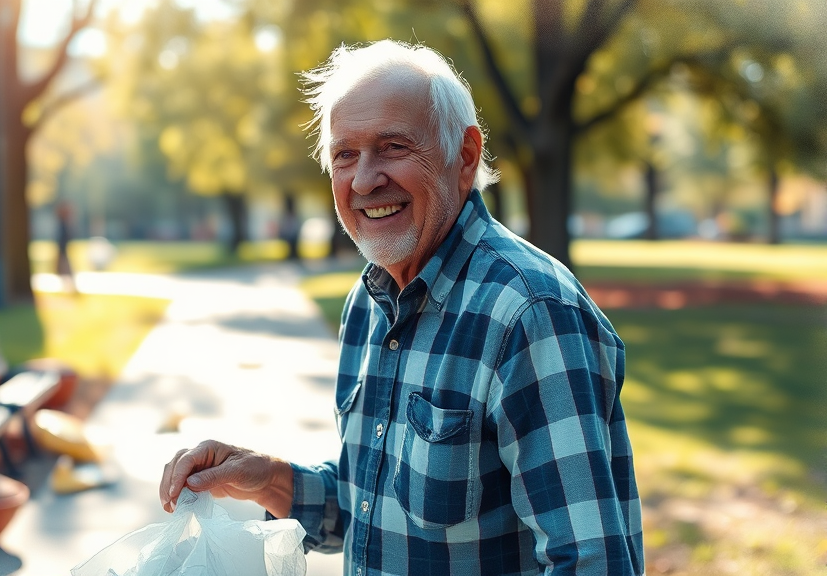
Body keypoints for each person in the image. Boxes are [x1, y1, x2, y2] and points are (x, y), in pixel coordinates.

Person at [160, 40, 644, 575]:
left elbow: (592, 561)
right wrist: (264, 476)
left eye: (392, 147)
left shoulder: (530, 313)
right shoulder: (368, 303)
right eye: (345, 155)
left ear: (464, 156)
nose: (365, 180)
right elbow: (369, 508)